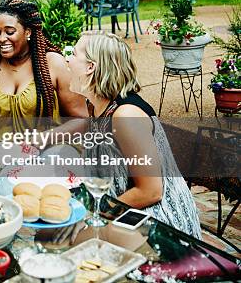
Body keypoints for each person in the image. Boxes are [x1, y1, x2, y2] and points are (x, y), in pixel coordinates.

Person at [60, 31, 201, 239]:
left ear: (91, 67)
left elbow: (151, 191)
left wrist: (96, 215)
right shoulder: (97, 106)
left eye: (73, 54)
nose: (67, 59)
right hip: (124, 212)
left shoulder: (126, 116)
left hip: (160, 224)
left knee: (69, 244)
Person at [0, 0, 87, 141]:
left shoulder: (52, 64)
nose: (2, 39)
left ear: (28, 32)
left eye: (10, 32)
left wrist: (42, 139)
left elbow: (82, 120)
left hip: (46, 152)